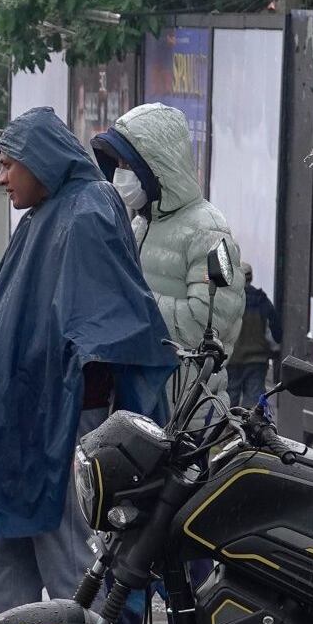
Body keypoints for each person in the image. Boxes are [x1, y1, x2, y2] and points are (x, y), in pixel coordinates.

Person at [0, 108, 174, 618]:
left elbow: (109, 324)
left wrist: (65, 399)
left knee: (71, 565)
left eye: (8, 165)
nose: (1, 178)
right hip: (15, 421)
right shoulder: (43, 217)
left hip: (64, 423)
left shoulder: (88, 211)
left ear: (39, 161)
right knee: (2, 561)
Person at [90, 103, 243, 413]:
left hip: (189, 412)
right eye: (116, 163)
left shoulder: (209, 229)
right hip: (137, 404)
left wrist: (134, 301)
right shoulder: (139, 224)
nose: (120, 173)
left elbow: (208, 326)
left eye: (128, 164)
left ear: (156, 165)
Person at [227, 263, 282, 412]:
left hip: (232, 359)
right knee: (254, 403)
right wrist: (276, 349)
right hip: (256, 360)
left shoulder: (228, 301)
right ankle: (250, 432)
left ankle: (230, 432)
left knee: (230, 401)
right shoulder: (261, 300)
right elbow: (276, 329)